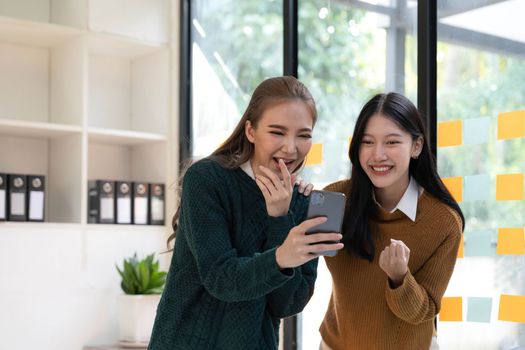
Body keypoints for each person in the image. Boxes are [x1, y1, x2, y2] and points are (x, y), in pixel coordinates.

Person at [148, 76, 344, 350]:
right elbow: (220, 278)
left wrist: (280, 218)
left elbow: (288, 304)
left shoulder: (303, 203)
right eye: (277, 132)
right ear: (251, 131)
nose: (291, 147)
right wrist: (280, 256)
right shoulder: (206, 180)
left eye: (304, 135)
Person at [319, 92, 465, 350]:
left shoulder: (444, 222)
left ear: (416, 146)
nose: (378, 155)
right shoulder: (334, 200)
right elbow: (295, 271)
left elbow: (425, 311)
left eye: (392, 142)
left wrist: (399, 278)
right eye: (367, 142)